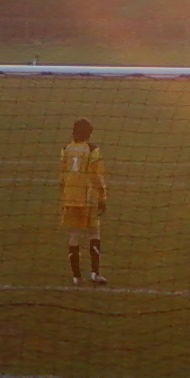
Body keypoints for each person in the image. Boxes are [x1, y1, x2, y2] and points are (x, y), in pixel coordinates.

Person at [59, 118, 107, 286]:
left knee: (74, 235)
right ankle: (95, 273)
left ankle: (76, 277)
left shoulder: (66, 149)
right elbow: (97, 176)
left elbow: (62, 175)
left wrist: (63, 196)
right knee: (94, 233)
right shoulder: (93, 150)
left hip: (70, 198)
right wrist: (102, 197)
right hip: (88, 199)